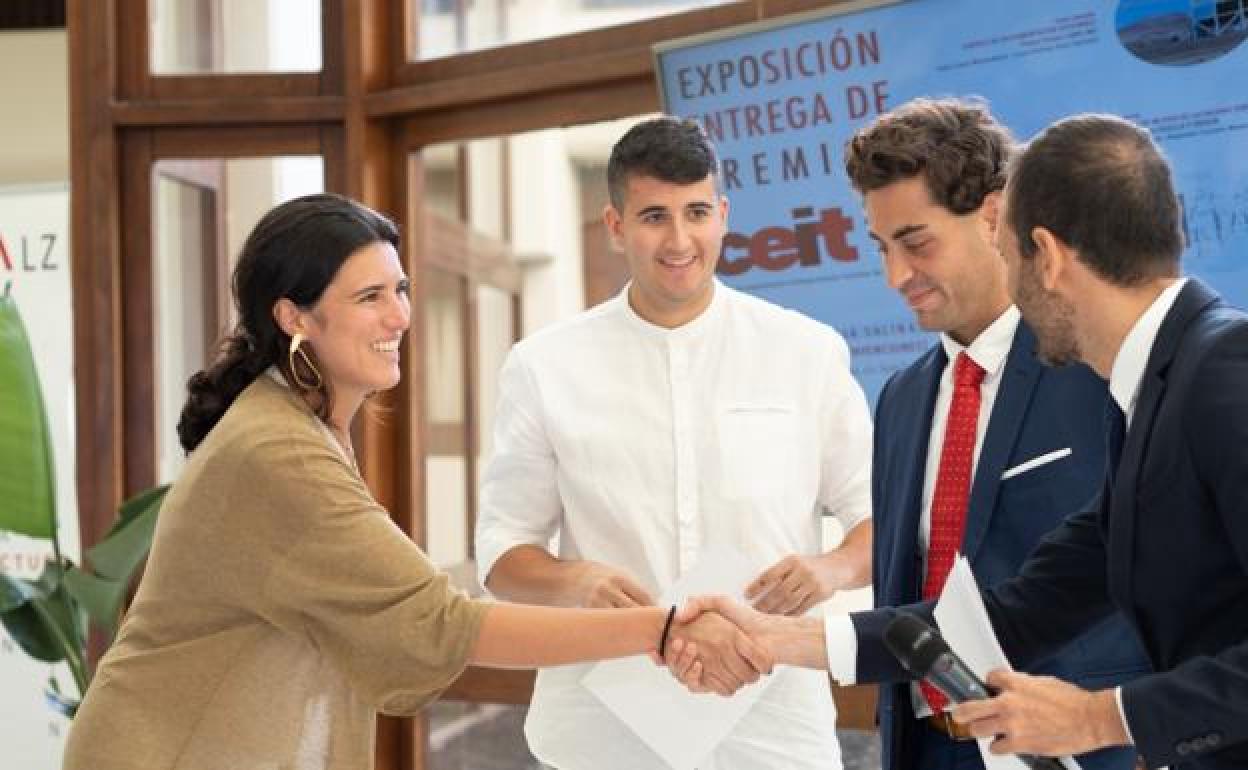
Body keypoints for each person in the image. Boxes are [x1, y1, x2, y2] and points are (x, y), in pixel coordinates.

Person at [63, 193, 771, 770]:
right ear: (294, 317)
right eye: (370, 296)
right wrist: (666, 625)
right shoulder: (274, 451)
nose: (400, 315)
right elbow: (439, 623)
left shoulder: (299, 423)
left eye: (400, 289)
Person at [673, 113, 1248, 770]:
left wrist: (1098, 716)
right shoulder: (1148, 398)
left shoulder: (1225, 371)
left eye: (1008, 254)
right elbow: (1011, 614)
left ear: (1046, 255)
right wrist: (779, 638)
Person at [474, 117, 874, 769]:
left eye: (695, 212)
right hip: (599, 732)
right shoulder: (543, 365)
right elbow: (500, 551)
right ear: (615, 226)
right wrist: (574, 581)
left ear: (722, 215)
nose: (679, 239)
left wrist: (829, 569)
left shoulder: (808, 352)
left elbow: (878, 518)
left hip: (772, 730)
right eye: (654, 216)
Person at [842, 98, 1147, 770]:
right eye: (882, 249)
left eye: (917, 243)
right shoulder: (900, 399)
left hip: (1080, 751)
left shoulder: (1102, 365)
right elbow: (900, 597)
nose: (897, 276)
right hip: (924, 746)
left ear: (992, 215)